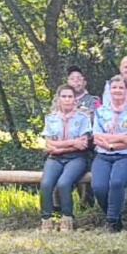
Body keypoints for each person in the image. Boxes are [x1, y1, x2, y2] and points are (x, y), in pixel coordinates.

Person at [92, 76, 127, 232]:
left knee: (116, 183)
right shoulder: (101, 111)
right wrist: (121, 138)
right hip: (103, 155)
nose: (117, 91)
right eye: (114, 88)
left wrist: (111, 143)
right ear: (109, 91)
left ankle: (112, 222)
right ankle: (116, 217)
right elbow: (96, 137)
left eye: (121, 88)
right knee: (99, 187)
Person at [39, 85, 92, 232]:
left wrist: (59, 147)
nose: (67, 99)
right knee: (46, 184)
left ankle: (67, 219)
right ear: (58, 99)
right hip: (55, 158)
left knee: (63, 183)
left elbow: (82, 145)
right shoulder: (51, 118)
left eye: (70, 96)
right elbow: (48, 143)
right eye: (64, 96)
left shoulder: (83, 118)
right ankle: (46, 220)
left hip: (76, 158)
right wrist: (71, 143)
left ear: (75, 99)